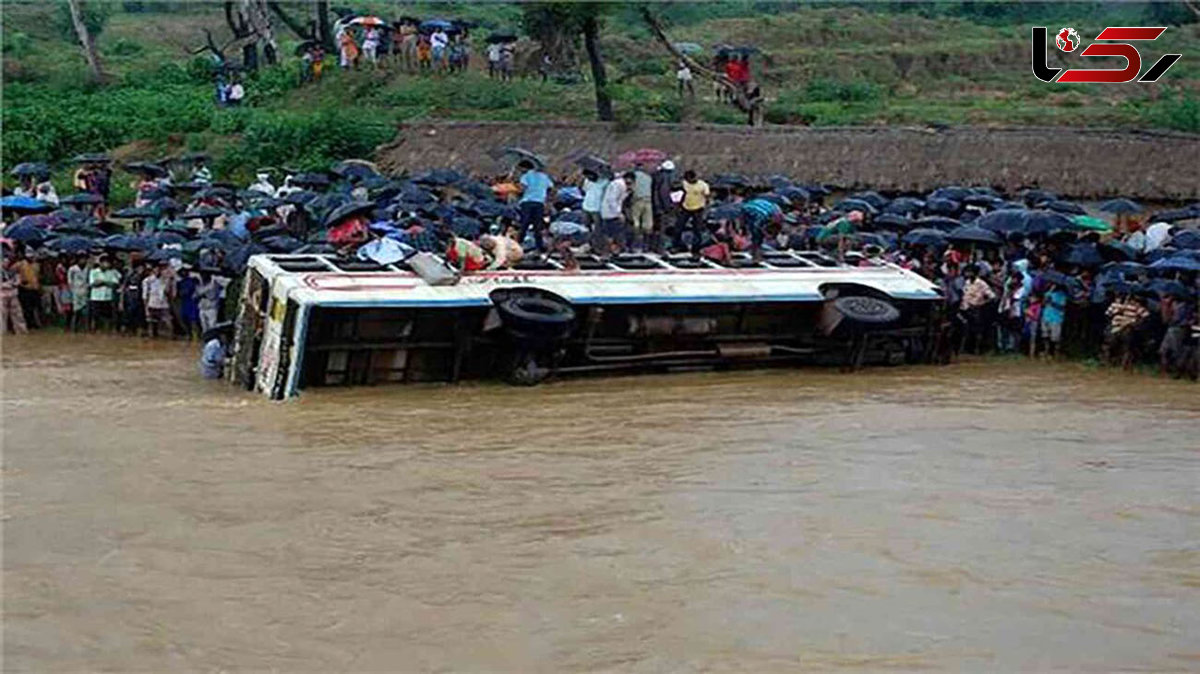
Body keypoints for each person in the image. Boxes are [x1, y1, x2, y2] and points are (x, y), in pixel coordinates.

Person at [1104, 291, 1149, 370]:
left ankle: (1124, 365)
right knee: (1109, 343)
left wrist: (1134, 323)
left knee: (1127, 343)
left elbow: (1145, 317)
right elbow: (1107, 315)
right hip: (1115, 326)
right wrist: (1116, 313)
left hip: (1129, 328)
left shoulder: (1136, 307)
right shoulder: (1114, 305)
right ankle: (1107, 363)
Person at [960, 264, 997, 354]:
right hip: (966, 308)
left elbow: (992, 296)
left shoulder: (981, 283)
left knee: (977, 330)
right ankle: (968, 349)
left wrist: (983, 303)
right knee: (968, 330)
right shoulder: (967, 282)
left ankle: (979, 349)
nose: (968, 274)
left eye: (970, 272)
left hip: (977, 309)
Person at [517, 160, 553, 253]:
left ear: (524, 168)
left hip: (527, 202)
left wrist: (516, 186)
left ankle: (518, 244)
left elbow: (521, 189)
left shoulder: (525, 176)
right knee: (538, 226)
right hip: (539, 203)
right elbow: (551, 188)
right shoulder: (544, 176)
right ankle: (539, 247)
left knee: (524, 224)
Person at [598, 172, 632, 257]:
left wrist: (627, 193)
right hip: (611, 213)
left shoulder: (616, 184)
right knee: (612, 233)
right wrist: (618, 213)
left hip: (607, 212)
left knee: (610, 233)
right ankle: (609, 251)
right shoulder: (619, 184)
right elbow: (612, 199)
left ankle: (610, 251)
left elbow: (618, 198)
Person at [740, 197, 783, 263]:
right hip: (750, 211)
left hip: (763, 210)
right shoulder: (760, 217)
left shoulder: (777, 216)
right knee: (757, 237)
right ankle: (756, 256)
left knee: (758, 237)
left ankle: (757, 255)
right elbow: (757, 229)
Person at [678, 170, 710, 255]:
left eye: (690, 180)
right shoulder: (684, 183)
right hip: (686, 208)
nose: (689, 182)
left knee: (697, 230)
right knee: (679, 227)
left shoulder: (703, 185)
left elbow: (707, 196)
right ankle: (679, 246)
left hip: (698, 208)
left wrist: (705, 206)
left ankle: (696, 248)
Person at [88, 256, 120, 332]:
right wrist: (106, 282)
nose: (107, 264)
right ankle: (93, 330)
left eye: (108, 263)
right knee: (95, 315)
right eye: (105, 262)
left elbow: (115, 284)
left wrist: (102, 282)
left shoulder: (112, 272)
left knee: (107, 316)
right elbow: (92, 283)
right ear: (101, 263)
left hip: (107, 297)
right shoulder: (94, 272)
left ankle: (106, 330)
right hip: (96, 297)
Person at [12, 250, 42, 330]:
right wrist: (19, 280)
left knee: (35, 307)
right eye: (30, 256)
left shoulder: (36, 265)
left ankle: (34, 323)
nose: (31, 258)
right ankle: (28, 324)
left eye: (32, 257)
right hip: (25, 289)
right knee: (26, 308)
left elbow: (38, 276)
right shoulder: (20, 264)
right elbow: (11, 271)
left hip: (35, 289)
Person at [142, 263, 173, 339]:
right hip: (152, 304)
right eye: (157, 269)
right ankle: (153, 338)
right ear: (153, 270)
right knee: (152, 324)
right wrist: (146, 308)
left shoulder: (165, 280)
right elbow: (145, 296)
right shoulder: (147, 281)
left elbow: (168, 293)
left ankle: (170, 337)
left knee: (168, 323)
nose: (159, 271)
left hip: (163, 304)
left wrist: (169, 281)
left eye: (160, 270)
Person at [629, 164, 654, 252]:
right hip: (648, 201)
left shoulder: (633, 177)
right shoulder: (648, 177)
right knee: (647, 224)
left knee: (635, 223)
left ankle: (634, 245)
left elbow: (630, 189)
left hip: (637, 201)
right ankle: (646, 246)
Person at [1040, 282, 1068, 358]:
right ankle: (1046, 351)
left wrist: (1052, 302)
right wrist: (1046, 298)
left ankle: (1055, 352)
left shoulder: (1062, 294)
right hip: (1046, 316)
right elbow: (1043, 304)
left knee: (1055, 338)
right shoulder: (1047, 293)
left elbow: (1062, 306)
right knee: (1045, 335)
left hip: (1056, 318)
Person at [0, 259, 27, 334]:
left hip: (13, 294)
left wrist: (13, 284)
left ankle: (21, 330)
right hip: (2, 295)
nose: (6, 263)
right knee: (2, 315)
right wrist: (8, 284)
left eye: (8, 262)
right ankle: (2, 332)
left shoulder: (13, 271)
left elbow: (18, 281)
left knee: (18, 314)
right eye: (4, 262)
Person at [177, 268, 200, 340]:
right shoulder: (180, 282)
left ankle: (196, 334)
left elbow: (190, 290)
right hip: (184, 302)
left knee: (193, 319)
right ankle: (189, 333)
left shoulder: (193, 281)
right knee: (184, 318)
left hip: (192, 302)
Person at [68, 255, 89, 332]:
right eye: (81, 259)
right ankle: (74, 327)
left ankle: (85, 327)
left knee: (85, 311)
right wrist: (72, 290)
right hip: (75, 291)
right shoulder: (72, 269)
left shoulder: (87, 269)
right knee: (76, 311)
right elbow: (70, 281)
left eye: (84, 259)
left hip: (85, 291)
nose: (83, 261)